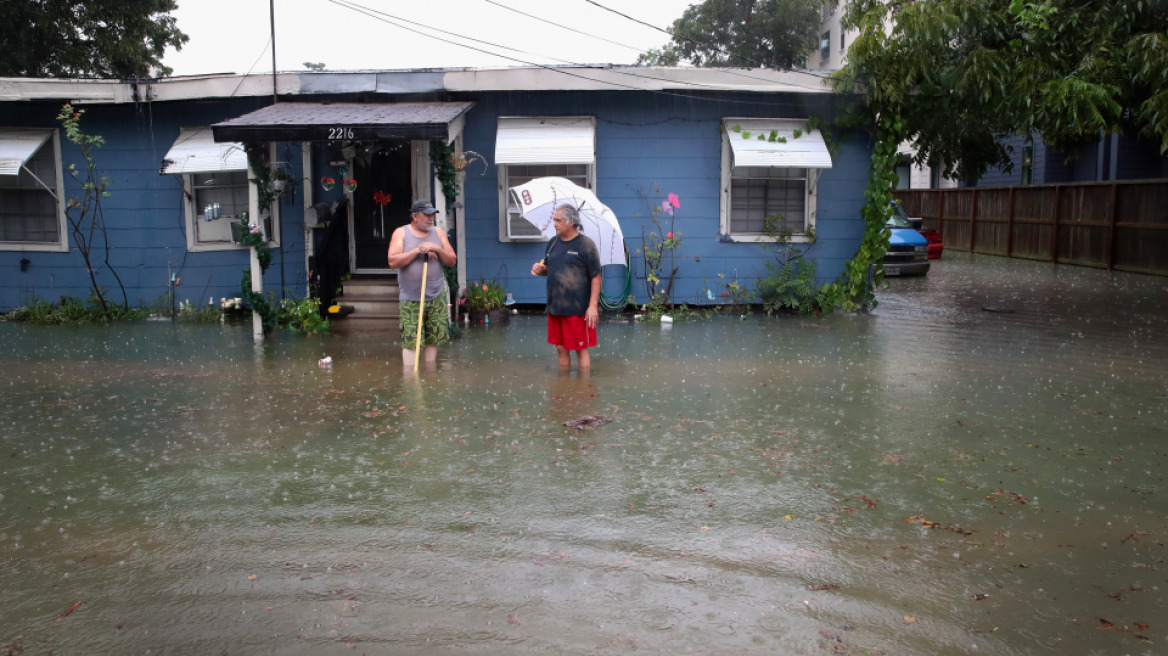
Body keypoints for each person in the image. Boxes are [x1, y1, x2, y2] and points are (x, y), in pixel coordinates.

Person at [530, 203, 602, 369]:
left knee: (580, 349)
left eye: (558, 220)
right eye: (554, 220)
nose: (554, 223)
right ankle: (564, 389)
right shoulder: (553, 242)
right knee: (561, 348)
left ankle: (583, 389)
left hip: (577, 309)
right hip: (555, 306)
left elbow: (596, 276)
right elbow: (548, 269)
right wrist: (539, 269)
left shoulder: (586, 244)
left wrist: (592, 306)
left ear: (570, 222)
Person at [388, 199, 457, 367]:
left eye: (432, 214)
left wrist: (437, 249)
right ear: (414, 216)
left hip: (435, 295)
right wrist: (418, 251)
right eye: (426, 215)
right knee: (411, 340)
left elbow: (452, 261)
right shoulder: (401, 233)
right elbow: (393, 261)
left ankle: (430, 376)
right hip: (411, 298)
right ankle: (410, 380)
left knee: (433, 339)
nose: (430, 218)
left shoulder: (438, 233)